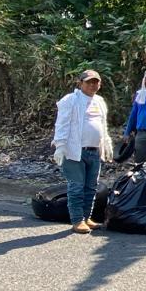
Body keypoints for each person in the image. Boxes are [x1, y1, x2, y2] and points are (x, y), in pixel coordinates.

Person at [52, 69, 114, 234]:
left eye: (96, 82)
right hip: (75, 151)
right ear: (81, 83)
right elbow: (62, 124)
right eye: (89, 82)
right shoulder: (71, 100)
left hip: (94, 151)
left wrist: (106, 143)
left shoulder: (99, 101)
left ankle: (87, 218)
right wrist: (60, 146)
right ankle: (77, 220)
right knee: (76, 187)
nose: (93, 85)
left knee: (90, 187)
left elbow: (103, 125)